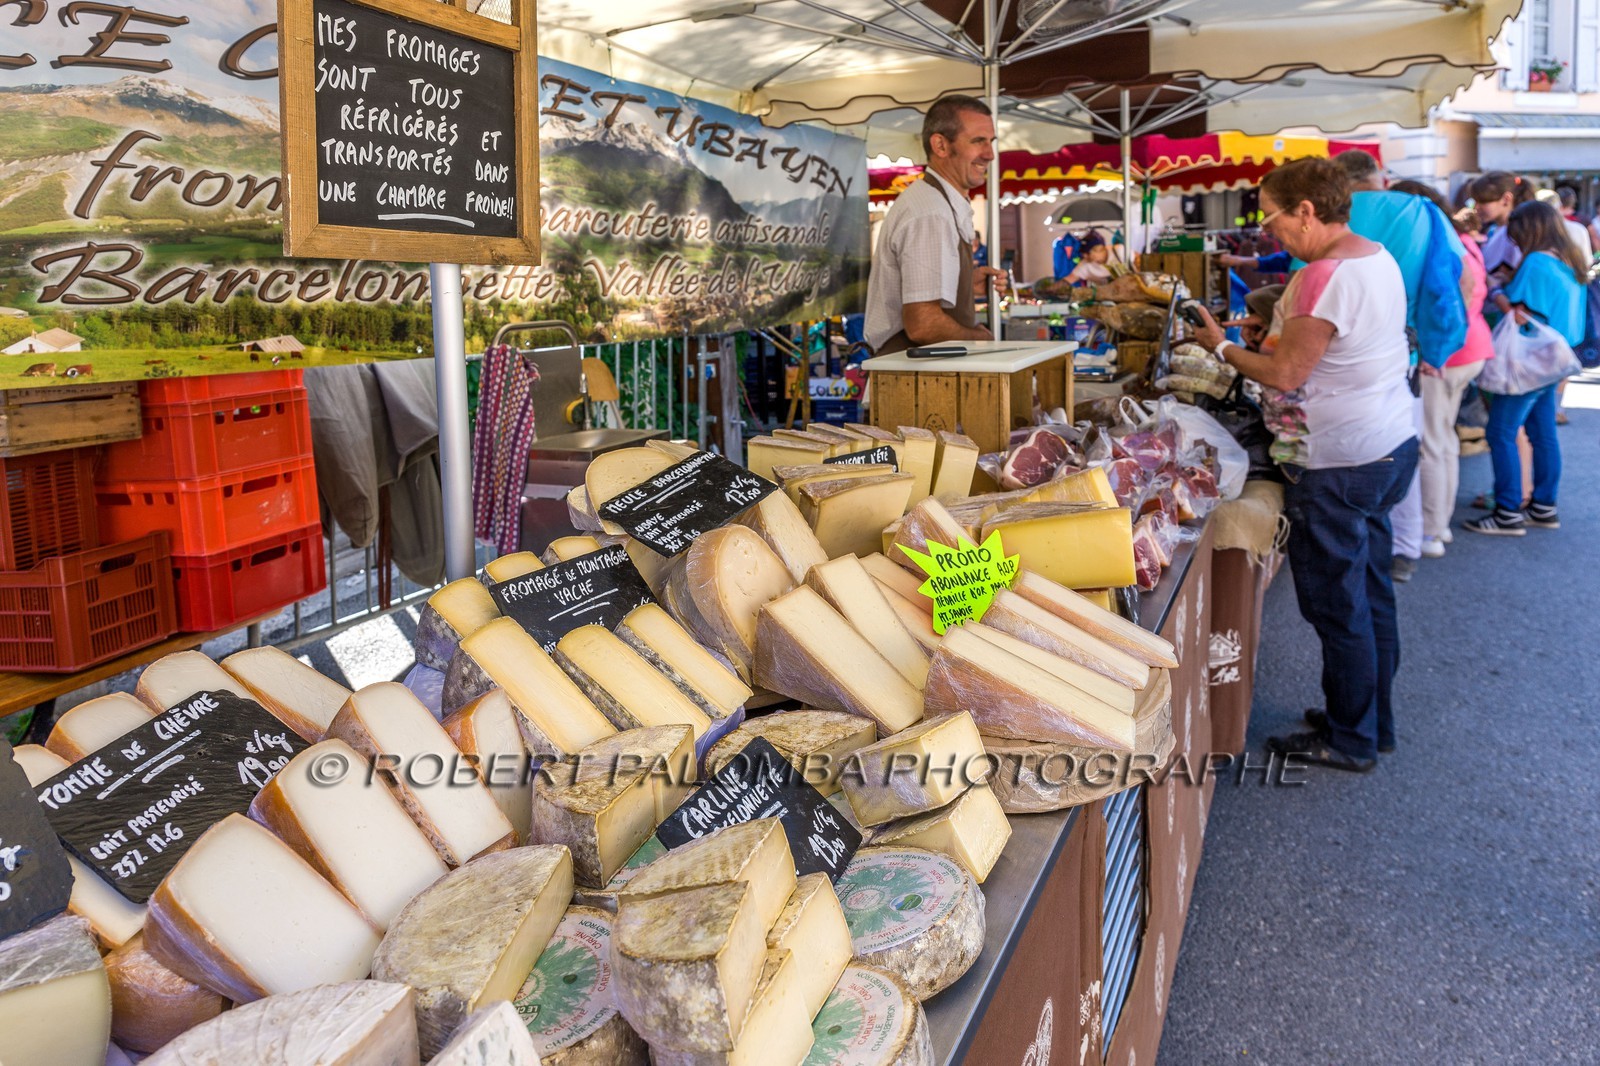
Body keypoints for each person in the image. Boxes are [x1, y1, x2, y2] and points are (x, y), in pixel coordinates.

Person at [1190, 158, 1417, 773]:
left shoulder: (1322, 276)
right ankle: (1371, 721)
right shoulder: (1375, 256)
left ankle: (1350, 739)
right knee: (1370, 594)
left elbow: (1286, 373)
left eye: (1273, 216)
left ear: (1307, 212)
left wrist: (1223, 346)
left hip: (1340, 460)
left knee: (1339, 605)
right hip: (1389, 444)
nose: (1271, 231)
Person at [1332, 149, 1470, 583]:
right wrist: (1438, 349)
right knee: (1399, 447)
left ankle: (1346, 542)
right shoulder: (1420, 209)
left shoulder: (1329, 215)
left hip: (1334, 353)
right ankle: (1404, 547)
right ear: (1380, 178)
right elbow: (1450, 282)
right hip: (1403, 353)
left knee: (1339, 452)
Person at [1464, 200, 1584, 536]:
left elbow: (1517, 312)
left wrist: (1496, 287)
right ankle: (1544, 506)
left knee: (1500, 433)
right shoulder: (1569, 260)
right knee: (1543, 434)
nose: (1514, 243)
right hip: (1554, 361)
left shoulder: (1535, 263)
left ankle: (1507, 513)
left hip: (1529, 362)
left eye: (1517, 236)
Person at [1389, 181, 1493, 559]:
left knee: (1432, 443)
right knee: (1444, 440)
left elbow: (1455, 297)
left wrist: (1434, 351)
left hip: (1448, 355)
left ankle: (1431, 531)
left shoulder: (1445, 240)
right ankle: (1440, 525)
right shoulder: (1461, 239)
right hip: (1470, 350)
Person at [864, 95, 1008, 354]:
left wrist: (965, 283)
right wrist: (981, 341)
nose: (990, 154)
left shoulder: (939, 203)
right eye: (978, 141)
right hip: (911, 381)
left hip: (924, 379)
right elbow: (923, 325)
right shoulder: (931, 212)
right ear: (940, 145)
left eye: (991, 142)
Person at [1474, 171, 1535, 275]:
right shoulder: (1495, 229)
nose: (1476, 207)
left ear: (1506, 199)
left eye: (1483, 201)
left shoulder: (1515, 235)